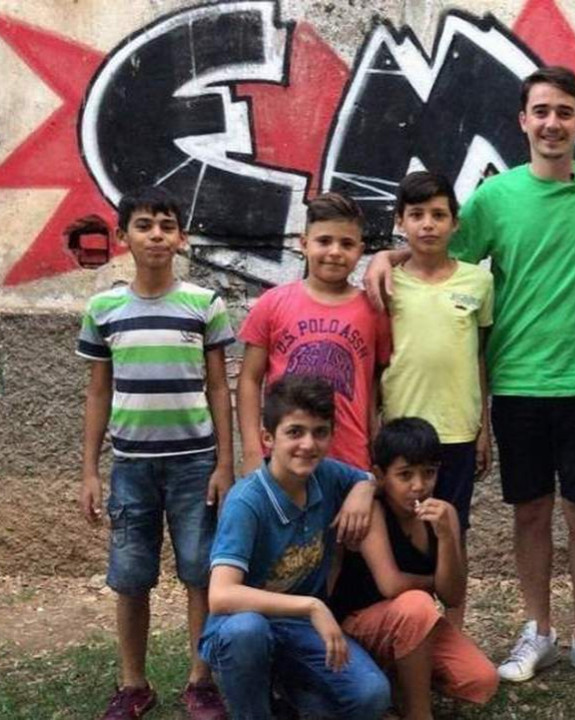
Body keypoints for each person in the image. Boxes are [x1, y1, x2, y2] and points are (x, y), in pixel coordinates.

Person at [364, 66, 575, 688]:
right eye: (541, 111)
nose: (552, 123)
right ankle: (538, 630)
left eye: (565, 112)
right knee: (530, 512)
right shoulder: (495, 197)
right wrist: (386, 254)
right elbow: (437, 255)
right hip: (518, 381)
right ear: (523, 121)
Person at [77, 186, 233, 720]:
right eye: (144, 226)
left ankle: (200, 681)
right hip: (131, 468)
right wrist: (89, 471)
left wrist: (225, 464)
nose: (157, 235)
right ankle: (133, 684)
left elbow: (219, 388)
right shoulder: (104, 309)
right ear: (123, 236)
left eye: (167, 225)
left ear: (181, 237)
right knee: (130, 576)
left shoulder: (204, 305)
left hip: (195, 465)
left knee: (200, 573)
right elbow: (98, 392)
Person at [199, 375, 389, 720]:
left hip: (298, 629)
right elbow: (221, 595)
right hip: (243, 626)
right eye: (295, 432)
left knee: (371, 695)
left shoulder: (326, 475)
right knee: (247, 632)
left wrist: (364, 488)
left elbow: (366, 477)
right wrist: (312, 606)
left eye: (320, 432)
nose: (308, 444)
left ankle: (288, 691)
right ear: (268, 438)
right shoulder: (247, 501)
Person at [379, 171, 493, 624]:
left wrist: (483, 426)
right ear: (400, 221)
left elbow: (478, 357)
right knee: (401, 530)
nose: (428, 224)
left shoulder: (478, 282)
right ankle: (408, 625)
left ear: (455, 223)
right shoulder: (386, 283)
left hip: (456, 429)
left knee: (452, 528)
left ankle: (452, 634)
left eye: (438, 215)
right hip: (401, 429)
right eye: (417, 215)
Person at [329, 417, 498, 720]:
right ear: (381, 476)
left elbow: (453, 595)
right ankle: (418, 712)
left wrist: (447, 538)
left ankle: (400, 676)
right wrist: (434, 581)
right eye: (405, 475)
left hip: (412, 622)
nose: (418, 486)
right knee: (417, 605)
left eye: (428, 473)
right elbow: (391, 585)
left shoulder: (443, 515)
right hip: (358, 622)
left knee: (480, 679)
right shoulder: (373, 510)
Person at [237, 192, 389, 474]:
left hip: (350, 460)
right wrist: (251, 450)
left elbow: (375, 383)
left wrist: (375, 446)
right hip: (284, 460)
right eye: (324, 241)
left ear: (360, 250)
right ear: (304, 244)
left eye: (346, 244)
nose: (335, 251)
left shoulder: (374, 309)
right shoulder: (272, 303)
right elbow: (249, 379)